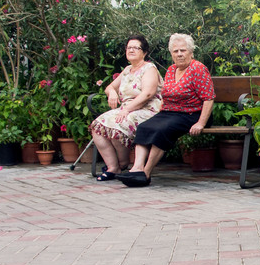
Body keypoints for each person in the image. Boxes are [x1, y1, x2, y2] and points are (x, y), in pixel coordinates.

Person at [119, 33, 215, 187]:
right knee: (144, 127)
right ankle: (136, 169)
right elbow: (165, 94)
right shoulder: (171, 70)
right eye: (175, 51)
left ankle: (146, 173)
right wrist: (159, 114)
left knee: (162, 129)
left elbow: (208, 98)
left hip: (192, 114)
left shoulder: (198, 69)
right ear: (171, 54)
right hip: (169, 113)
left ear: (191, 52)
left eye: (183, 50)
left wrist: (201, 123)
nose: (179, 54)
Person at [89, 35, 162, 181]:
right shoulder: (128, 70)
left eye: (136, 47)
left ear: (145, 52)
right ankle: (113, 167)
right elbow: (109, 87)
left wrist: (127, 109)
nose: (131, 50)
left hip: (148, 110)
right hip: (127, 109)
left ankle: (123, 162)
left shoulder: (149, 68)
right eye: (129, 47)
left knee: (117, 125)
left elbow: (148, 93)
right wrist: (112, 93)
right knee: (96, 126)